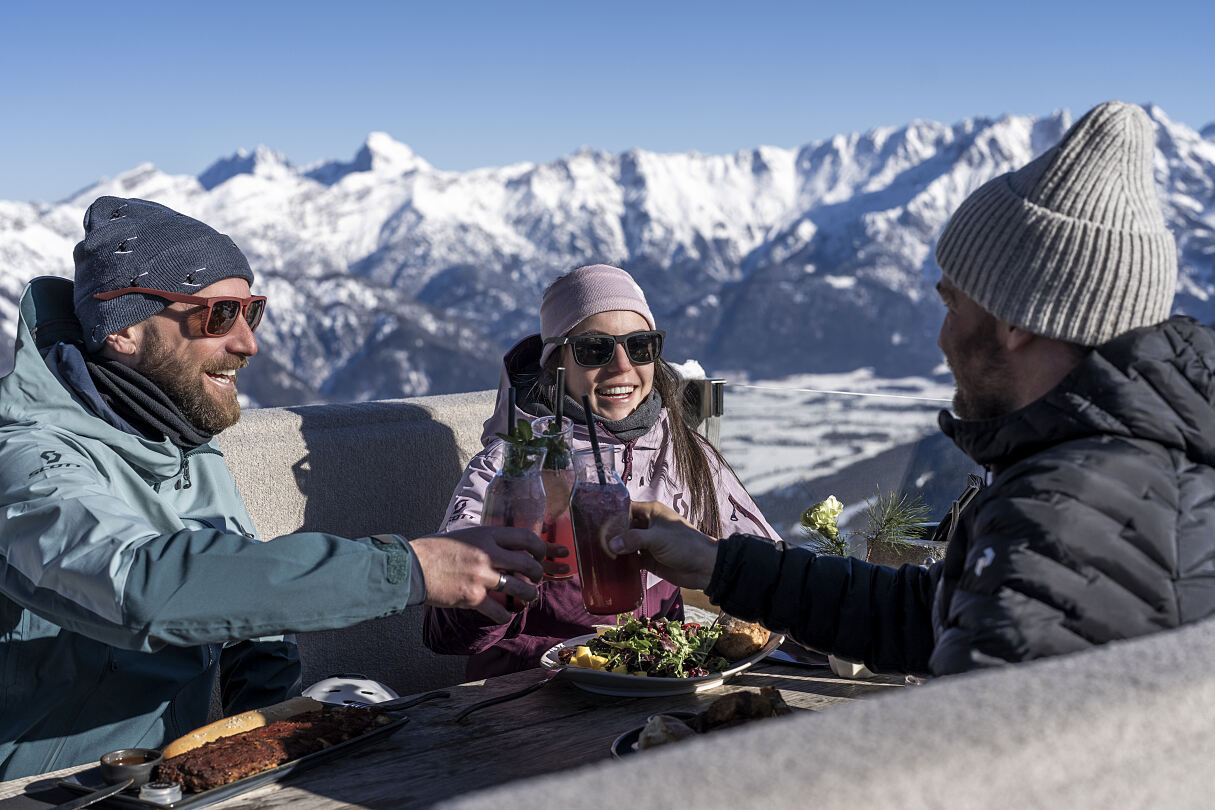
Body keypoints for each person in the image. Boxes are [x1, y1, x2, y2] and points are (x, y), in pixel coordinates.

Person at [609, 100, 1215, 677]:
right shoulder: (1143, 465)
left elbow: (974, 764)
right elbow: (927, 616)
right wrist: (718, 563)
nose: (943, 339)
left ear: (1016, 322)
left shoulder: (1060, 522)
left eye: (953, 305)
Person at [0, 197, 565, 779]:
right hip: (39, 790)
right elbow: (138, 584)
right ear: (123, 330)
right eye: (220, 314)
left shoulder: (183, 445)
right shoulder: (25, 462)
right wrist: (408, 569)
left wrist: (270, 744)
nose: (248, 343)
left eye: (253, 312)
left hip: (157, 783)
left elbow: (254, 627)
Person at [422, 264, 776, 677]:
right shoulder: (511, 466)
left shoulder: (685, 452)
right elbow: (443, 635)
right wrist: (507, 576)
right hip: (530, 697)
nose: (622, 367)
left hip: (656, 688)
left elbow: (770, 572)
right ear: (556, 362)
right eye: (594, 349)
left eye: (640, 345)